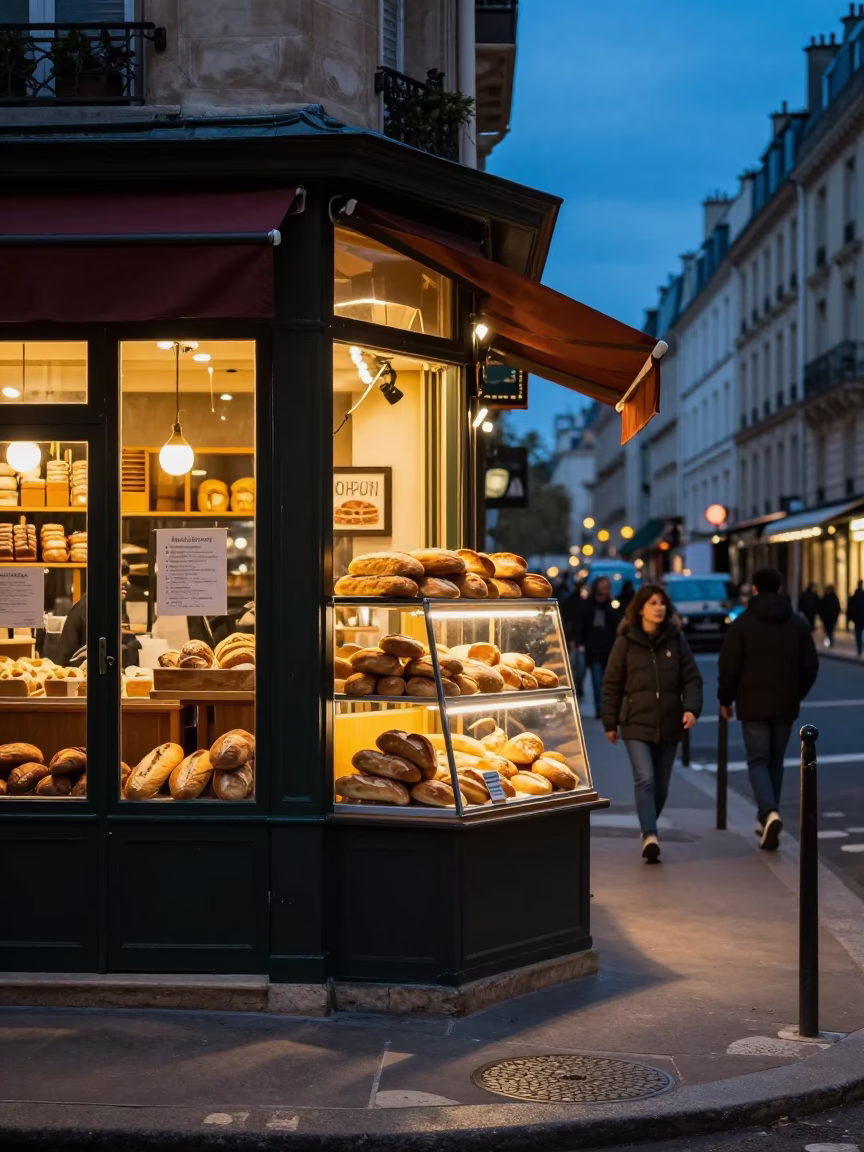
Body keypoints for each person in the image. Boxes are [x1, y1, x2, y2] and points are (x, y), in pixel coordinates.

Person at [718, 567, 818, 851]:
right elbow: (811, 665)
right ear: (781, 587)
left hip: (752, 702)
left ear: (755, 589)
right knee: (775, 761)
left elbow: (729, 667)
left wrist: (726, 699)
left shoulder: (743, 624)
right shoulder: (797, 623)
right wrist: (796, 692)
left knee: (758, 761)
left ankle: (768, 813)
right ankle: (768, 815)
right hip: (785, 703)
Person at [601, 585, 703, 863]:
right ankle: (650, 834)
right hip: (635, 722)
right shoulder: (625, 641)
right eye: (652, 603)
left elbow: (692, 679)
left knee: (662, 786)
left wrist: (691, 709)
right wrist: (610, 721)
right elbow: (612, 684)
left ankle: (649, 827)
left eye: (662, 603)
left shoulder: (676, 640)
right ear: (641, 608)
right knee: (644, 778)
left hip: (670, 722)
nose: (659, 608)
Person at [58, 562, 141, 668]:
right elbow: (65, 656)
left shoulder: (120, 612)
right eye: (120, 581)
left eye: (125, 580)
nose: (125, 586)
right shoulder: (83, 609)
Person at [577, 577, 622, 718]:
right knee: (597, 680)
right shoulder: (588, 605)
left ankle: (610, 708)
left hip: (609, 648)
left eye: (607, 587)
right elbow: (582, 624)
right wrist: (581, 642)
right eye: (602, 587)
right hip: (594, 648)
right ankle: (600, 709)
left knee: (610, 681)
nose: (605, 590)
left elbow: (617, 622)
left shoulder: (611, 604)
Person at [848, 580, 864, 657]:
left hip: (857, 619)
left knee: (858, 634)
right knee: (859, 634)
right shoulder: (858, 596)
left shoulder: (855, 596)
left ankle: (859, 648)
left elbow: (850, 608)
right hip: (860, 618)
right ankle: (860, 647)